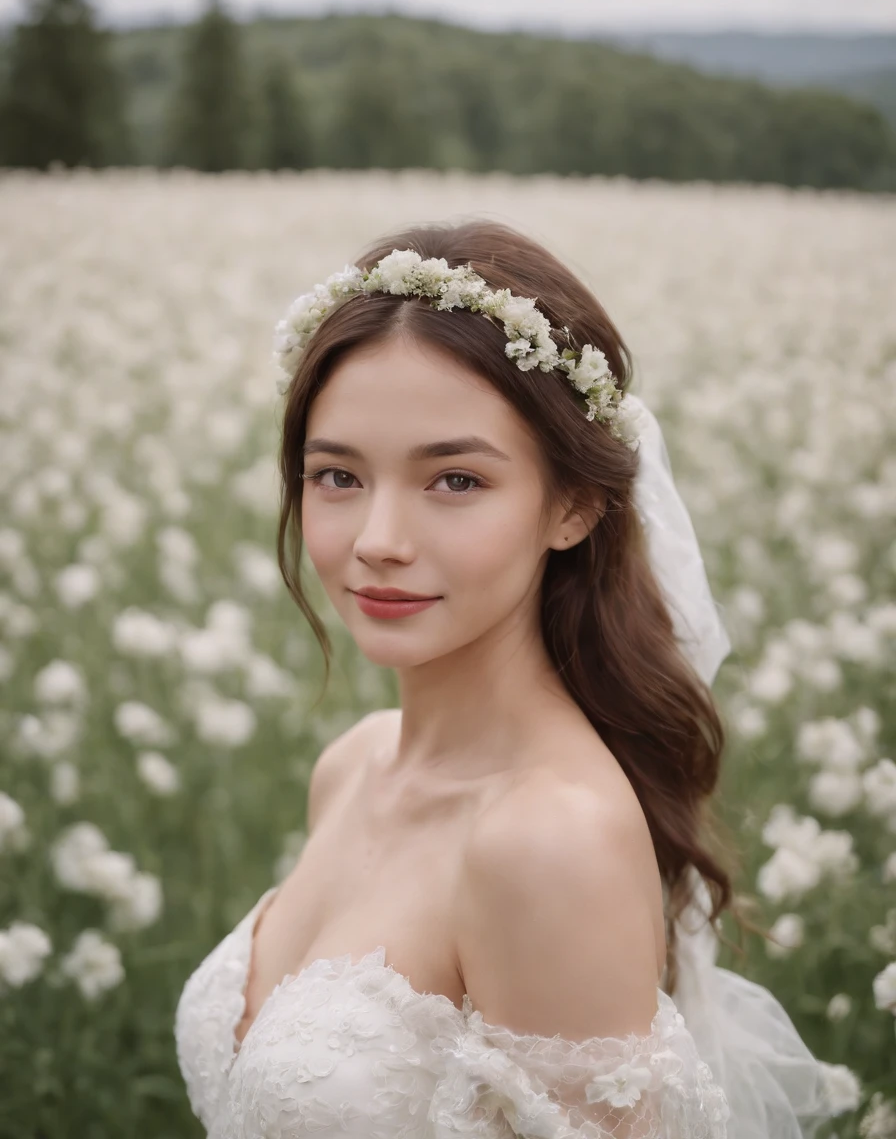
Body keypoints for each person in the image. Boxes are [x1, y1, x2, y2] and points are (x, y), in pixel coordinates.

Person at [174, 220, 835, 1138]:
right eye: (337, 476)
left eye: (454, 481)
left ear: (573, 504)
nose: (377, 541)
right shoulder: (354, 765)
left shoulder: (546, 841)